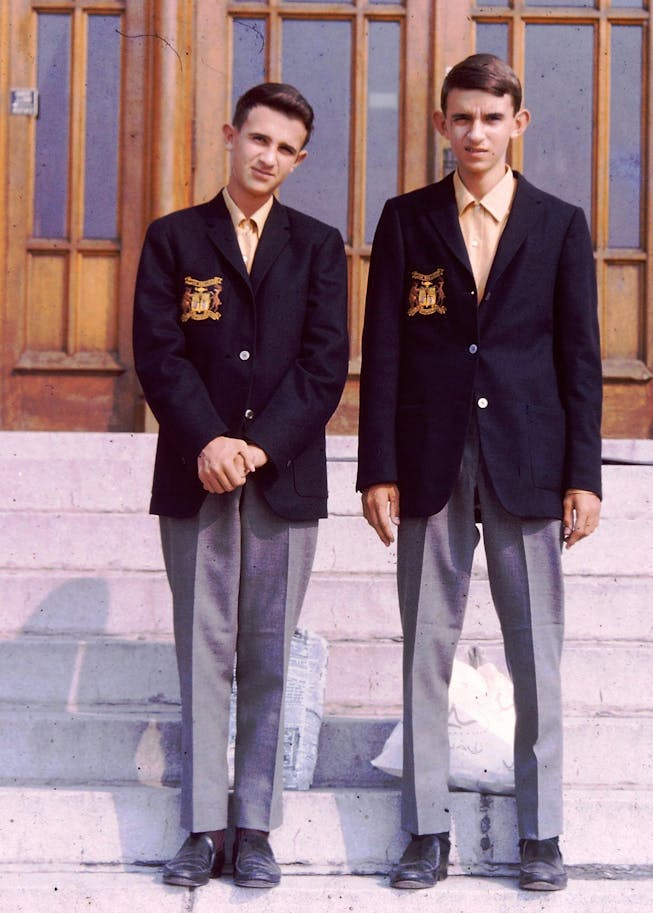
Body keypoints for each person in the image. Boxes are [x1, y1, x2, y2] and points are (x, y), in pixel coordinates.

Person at [357, 54, 602, 892]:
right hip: (429, 459)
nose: (475, 134)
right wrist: (376, 467)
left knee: (537, 654)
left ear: (518, 125)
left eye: (492, 119)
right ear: (440, 124)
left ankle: (542, 833)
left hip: (529, 461)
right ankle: (426, 828)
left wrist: (585, 474)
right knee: (428, 645)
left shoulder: (559, 222)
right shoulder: (406, 219)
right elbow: (383, 351)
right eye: (461, 118)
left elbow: (579, 358)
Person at [133, 82, 349, 890]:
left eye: (285, 148)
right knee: (202, 651)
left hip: (281, 482)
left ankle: (254, 825)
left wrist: (255, 448)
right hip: (196, 476)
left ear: (300, 159)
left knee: (266, 657)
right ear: (231, 136)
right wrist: (209, 439)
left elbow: (324, 365)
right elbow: (159, 354)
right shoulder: (175, 238)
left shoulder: (318, 247)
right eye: (256, 139)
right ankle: (201, 826)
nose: (267, 157)